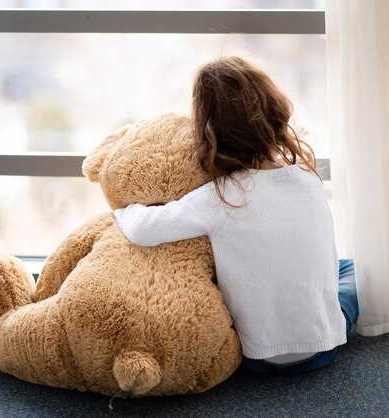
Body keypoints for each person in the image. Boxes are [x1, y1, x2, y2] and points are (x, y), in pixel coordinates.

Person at [114, 56, 358, 373]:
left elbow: (141, 230)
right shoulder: (308, 177)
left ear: (209, 132)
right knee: (350, 269)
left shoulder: (222, 196)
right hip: (325, 347)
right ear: (275, 112)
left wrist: (124, 206)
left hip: (258, 357)